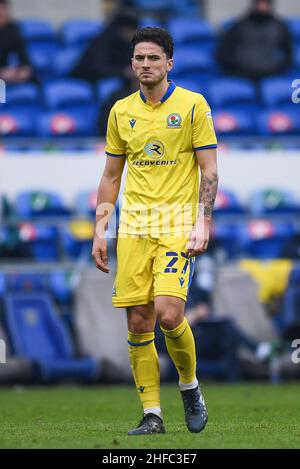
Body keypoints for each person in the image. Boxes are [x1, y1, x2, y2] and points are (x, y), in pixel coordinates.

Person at [92, 27, 218, 435]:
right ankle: (153, 415)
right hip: (133, 229)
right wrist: (100, 229)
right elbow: (111, 176)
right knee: (139, 322)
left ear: (169, 63)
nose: (145, 65)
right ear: (132, 64)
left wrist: (204, 221)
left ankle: (189, 386)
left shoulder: (193, 105)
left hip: (178, 224)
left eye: (153, 58)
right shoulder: (120, 111)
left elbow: (209, 171)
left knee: (168, 313)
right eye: (139, 58)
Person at [216, 0, 293, 81]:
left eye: (265, 3)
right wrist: (235, 68)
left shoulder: (280, 27)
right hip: (240, 75)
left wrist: (276, 69)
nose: (262, 6)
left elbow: (288, 56)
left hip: (270, 75)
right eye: (260, 3)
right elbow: (222, 53)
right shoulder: (239, 26)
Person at [71, 11, 138, 83]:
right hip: (86, 78)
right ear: (123, 30)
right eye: (132, 31)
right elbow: (99, 68)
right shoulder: (102, 42)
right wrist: (123, 71)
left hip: (111, 78)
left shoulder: (128, 43)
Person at [0, 0, 34, 84]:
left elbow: (23, 54)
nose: (2, 13)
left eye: (4, 10)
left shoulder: (14, 30)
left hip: (14, 71)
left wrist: (24, 70)